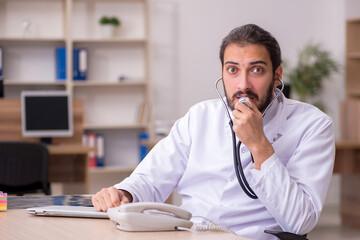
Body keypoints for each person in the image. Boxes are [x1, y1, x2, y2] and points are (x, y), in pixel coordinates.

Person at [92, 24, 335, 239]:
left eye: (257, 70)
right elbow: (150, 179)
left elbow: (301, 221)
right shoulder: (199, 117)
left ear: (276, 76)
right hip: (189, 234)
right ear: (222, 74)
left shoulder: (313, 125)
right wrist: (124, 193)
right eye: (233, 70)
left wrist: (260, 146)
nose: (243, 85)